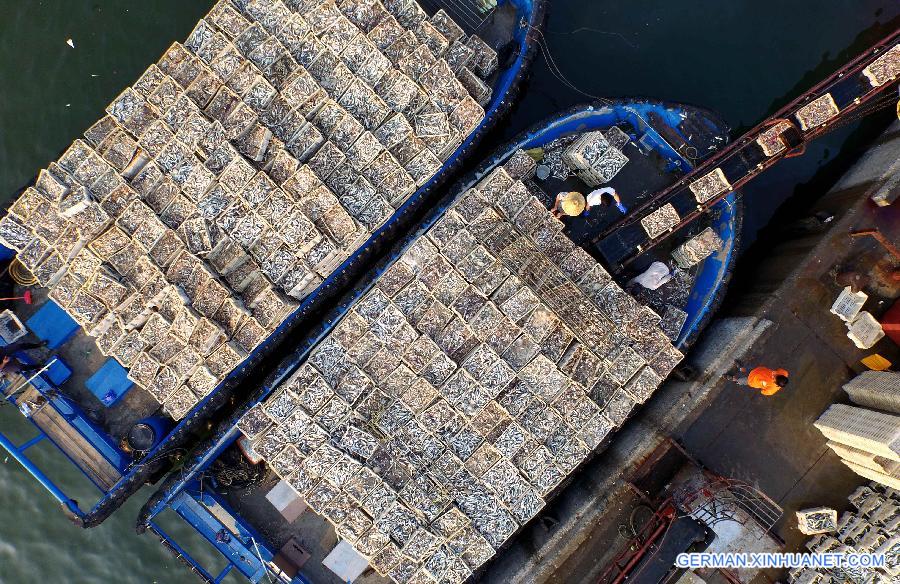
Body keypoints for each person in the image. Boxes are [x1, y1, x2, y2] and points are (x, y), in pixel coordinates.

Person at [724, 363, 790, 396]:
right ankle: (741, 369)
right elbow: (779, 369)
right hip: (757, 370)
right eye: (776, 375)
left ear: (776, 383)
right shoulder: (784, 373)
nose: (774, 375)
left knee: (741, 380)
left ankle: (733, 379)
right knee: (747, 369)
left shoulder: (771, 390)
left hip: (752, 381)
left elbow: (763, 392)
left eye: (774, 377)